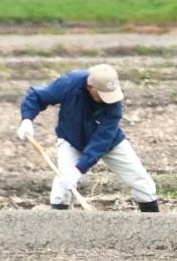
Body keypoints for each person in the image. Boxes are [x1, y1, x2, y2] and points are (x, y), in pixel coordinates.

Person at [18, 63, 159, 211]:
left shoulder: (114, 103)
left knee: (142, 182)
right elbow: (37, 96)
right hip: (71, 139)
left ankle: (153, 225)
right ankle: (58, 230)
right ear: (90, 86)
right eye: (103, 94)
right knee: (62, 189)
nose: (108, 99)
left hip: (109, 142)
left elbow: (101, 140)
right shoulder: (69, 83)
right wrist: (27, 119)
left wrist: (79, 169)